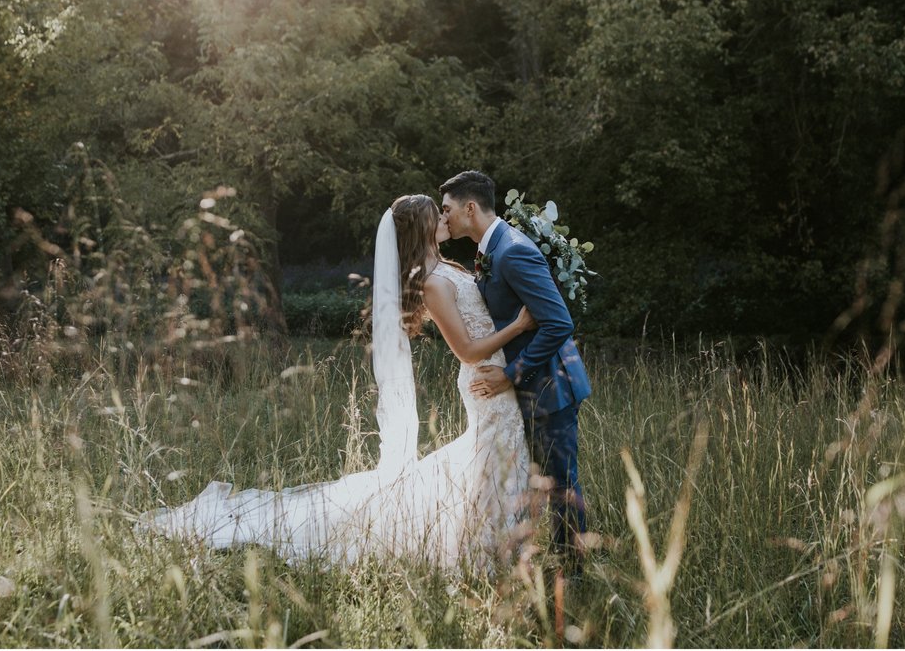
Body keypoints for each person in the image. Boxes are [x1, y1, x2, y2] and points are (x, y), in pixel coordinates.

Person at [139, 195, 536, 570]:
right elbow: (466, 349)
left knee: (492, 456)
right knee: (495, 453)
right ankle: (490, 546)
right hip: (484, 376)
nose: (446, 217)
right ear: (422, 226)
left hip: (498, 374)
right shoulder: (431, 281)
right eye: (438, 213)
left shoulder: (451, 267)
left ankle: (498, 540)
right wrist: (520, 324)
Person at [439, 170, 591, 559]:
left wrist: (509, 375)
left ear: (469, 207)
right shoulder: (491, 247)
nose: (444, 218)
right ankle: (542, 561)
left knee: (561, 484)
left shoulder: (512, 250)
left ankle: (572, 573)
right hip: (532, 386)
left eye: (448, 210)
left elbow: (559, 322)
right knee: (539, 483)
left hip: (550, 386)